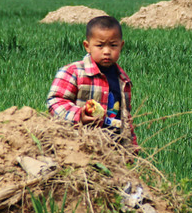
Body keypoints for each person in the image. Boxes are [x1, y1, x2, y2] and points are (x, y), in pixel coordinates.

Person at [47, 15, 137, 147]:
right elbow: (55, 102)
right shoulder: (73, 72)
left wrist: (131, 147)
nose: (107, 51)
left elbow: (125, 117)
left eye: (113, 45)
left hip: (112, 149)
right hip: (78, 145)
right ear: (87, 46)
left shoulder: (122, 79)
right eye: (100, 46)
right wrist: (79, 116)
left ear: (121, 46)